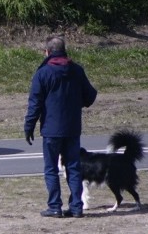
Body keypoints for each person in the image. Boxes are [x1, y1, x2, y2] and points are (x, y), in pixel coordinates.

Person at [24, 35, 97, 218]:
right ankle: (76, 207)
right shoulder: (76, 70)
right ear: (64, 50)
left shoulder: (43, 73)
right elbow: (90, 96)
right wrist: (75, 103)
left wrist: (29, 126)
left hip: (51, 129)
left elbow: (35, 103)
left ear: (47, 52)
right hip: (72, 127)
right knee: (73, 167)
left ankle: (55, 206)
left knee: (51, 169)